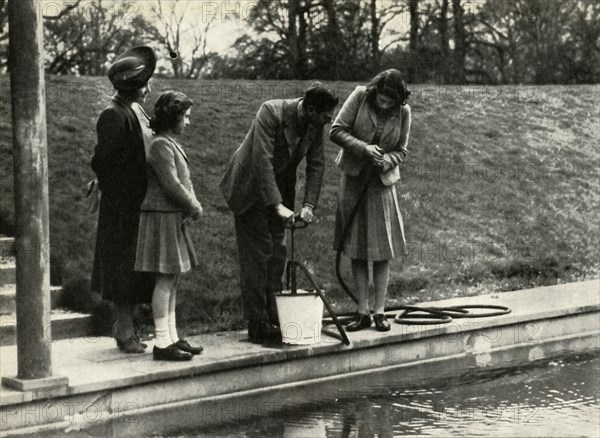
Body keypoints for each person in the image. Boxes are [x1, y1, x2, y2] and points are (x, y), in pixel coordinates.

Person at [219, 83, 339, 343]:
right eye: (325, 116)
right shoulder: (271, 112)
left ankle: (276, 315)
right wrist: (276, 205)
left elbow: (316, 165)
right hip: (249, 186)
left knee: (277, 253)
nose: (329, 121)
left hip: (279, 188)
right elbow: (261, 160)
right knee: (257, 254)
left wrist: (308, 206)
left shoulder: (314, 124)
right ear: (309, 109)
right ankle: (257, 322)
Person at [331, 69, 412, 332]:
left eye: (390, 102)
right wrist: (363, 149)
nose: (384, 104)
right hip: (354, 179)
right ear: (375, 90)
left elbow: (401, 149)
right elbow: (336, 131)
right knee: (357, 248)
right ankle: (362, 312)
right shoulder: (360, 96)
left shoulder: (404, 113)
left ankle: (380, 312)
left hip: (381, 184)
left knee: (381, 250)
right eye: (381, 99)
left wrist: (386, 160)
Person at [91, 46, 157, 353]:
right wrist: (113, 188)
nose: (148, 88)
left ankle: (127, 328)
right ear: (132, 85)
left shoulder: (136, 110)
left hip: (137, 204)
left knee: (134, 269)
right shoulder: (113, 114)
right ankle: (124, 329)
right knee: (121, 270)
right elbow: (103, 161)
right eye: (144, 83)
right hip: (122, 207)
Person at [134, 91, 204, 361]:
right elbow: (172, 185)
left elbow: (185, 181)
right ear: (171, 118)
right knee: (164, 279)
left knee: (172, 278)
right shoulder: (160, 145)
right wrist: (194, 206)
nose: (188, 122)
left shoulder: (169, 143)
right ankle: (162, 342)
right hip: (161, 217)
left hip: (172, 217)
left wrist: (192, 202)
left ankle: (172, 337)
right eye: (185, 117)